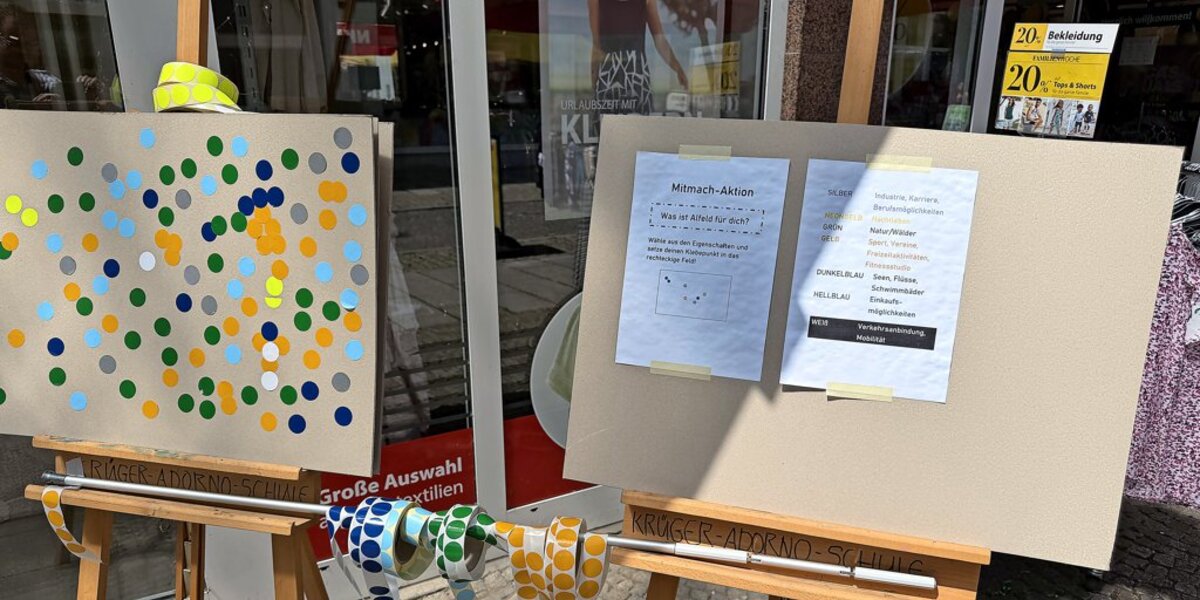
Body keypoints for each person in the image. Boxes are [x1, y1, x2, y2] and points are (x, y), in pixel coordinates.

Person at [589, 0, 688, 116]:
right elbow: (596, 46)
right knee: (610, 126)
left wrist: (678, 68)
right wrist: (594, 84)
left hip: (632, 77)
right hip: (615, 76)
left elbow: (659, 40)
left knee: (637, 126)